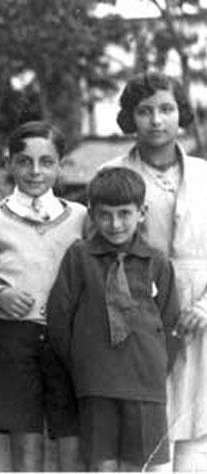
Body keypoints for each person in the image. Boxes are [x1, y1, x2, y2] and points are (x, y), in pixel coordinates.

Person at [0, 121, 85, 471]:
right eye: (24, 161)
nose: (35, 171)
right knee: (25, 433)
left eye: (46, 161)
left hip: (69, 339)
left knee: (69, 431)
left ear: (61, 165)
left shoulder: (80, 217)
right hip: (13, 338)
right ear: (9, 163)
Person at [101, 71, 207, 470]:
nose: (157, 120)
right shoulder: (112, 174)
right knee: (149, 436)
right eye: (145, 111)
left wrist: (204, 306)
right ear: (131, 118)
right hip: (142, 321)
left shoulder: (203, 175)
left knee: (200, 433)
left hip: (201, 321)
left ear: (182, 115)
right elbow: (101, 253)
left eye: (167, 109)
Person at [47, 167, 180, 471]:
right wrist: (84, 364)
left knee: (140, 465)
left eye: (124, 213)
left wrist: (156, 367)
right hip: (96, 382)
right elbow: (59, 319)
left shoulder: (157, 262)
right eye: (105, 215)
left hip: (145, 384)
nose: (115, 223)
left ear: (141, 212)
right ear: (92, 213)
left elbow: (171, 322)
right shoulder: (79, 257)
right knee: (101, 465)